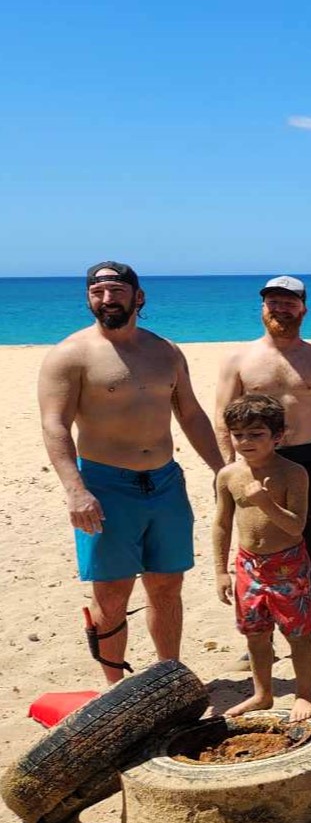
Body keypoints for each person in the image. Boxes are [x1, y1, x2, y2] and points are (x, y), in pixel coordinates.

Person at [38, 262, 226, 684]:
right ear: (89, 299)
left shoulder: (166, 351)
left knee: (166, 586)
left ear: (138, 297)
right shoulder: (71, 355)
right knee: (111, 592)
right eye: (98, 292)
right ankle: (114, 690)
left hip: (164, 483)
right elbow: (54, 425)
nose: (107, 299)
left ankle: (167, 678)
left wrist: (220, 469)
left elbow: (191, 414)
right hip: (105, 485)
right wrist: (75, 491)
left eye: (116, 290)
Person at [212, 275, 311, 652]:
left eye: (289, 302)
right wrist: (227, 470)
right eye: (273, 302)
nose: (280, 309)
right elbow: (223, 418)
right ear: (262, 308)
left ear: (303, 308)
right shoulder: (240, 359)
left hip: (310, 458)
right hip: (253, 462)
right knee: (256, 546)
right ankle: (259, 637)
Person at [212, 395, 311, 722]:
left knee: (297, 633)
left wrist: (265, 501)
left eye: (256, 434)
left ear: (278, 436)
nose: (245, 441)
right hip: (247, 564)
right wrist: (220, 571)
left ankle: (304, 694)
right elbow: (221, 523)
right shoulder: (228, 475)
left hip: (287, 563)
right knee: (255, 634)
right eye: (238, 434)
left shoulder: (293, 473)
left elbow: (296, 527)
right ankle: (262, 693)